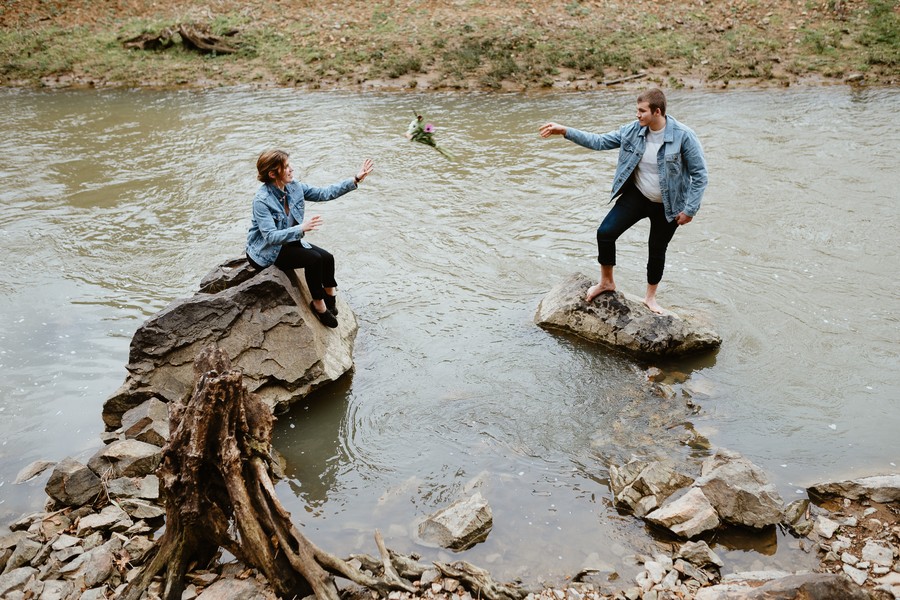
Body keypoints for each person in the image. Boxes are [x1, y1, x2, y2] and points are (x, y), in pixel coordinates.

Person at [539, 88, 708, 314]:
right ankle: (607, 282)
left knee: (656, 250)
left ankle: (650, 297)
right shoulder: (632, 130)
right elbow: (599, 141)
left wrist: (690, 210)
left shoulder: (683, 136)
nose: (637, 115)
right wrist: (565, 131)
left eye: (641, 111)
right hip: (637, 195)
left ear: (657, 112)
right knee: (605, 232)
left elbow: (700, 175)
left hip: (668, 205)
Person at [246, 149, 374, 328]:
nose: (292, 169)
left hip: (289, 241)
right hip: (268, 251)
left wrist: (356, 179)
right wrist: (301, 228)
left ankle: (330, 296)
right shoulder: (262, 200)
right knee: (314, 259)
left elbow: (324, 193)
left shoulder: (294, 187)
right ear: (273, 173)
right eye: (287, 167)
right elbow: (270, 236)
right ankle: (319, 306)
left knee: (327, 257)